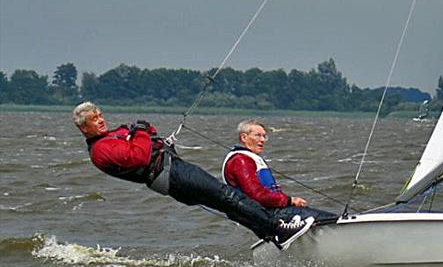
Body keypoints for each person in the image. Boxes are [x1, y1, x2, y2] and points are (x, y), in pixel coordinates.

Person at [72, 102, 314, 249]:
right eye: (94, 120)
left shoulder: (108, 137)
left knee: (224, 203)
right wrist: (141, 133)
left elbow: (146, 136)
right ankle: (279, 228)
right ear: (84, 128)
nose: (101, 120)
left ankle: (268, 234)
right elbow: (139, 155)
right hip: (170, 174)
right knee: (226, 195)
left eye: (100, 115)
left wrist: (143, 131)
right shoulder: (101, 149)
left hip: (169, 174)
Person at [222, 119, 338, 225]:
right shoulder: (241, 160)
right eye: (258, 136)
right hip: (270, 214)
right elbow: (257, 195)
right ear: (244, 137)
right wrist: (289, 200)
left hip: (273, 211)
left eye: (264, 136)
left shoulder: (248, 158)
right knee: (332, 220)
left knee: (326, 217)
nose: (262, 140)